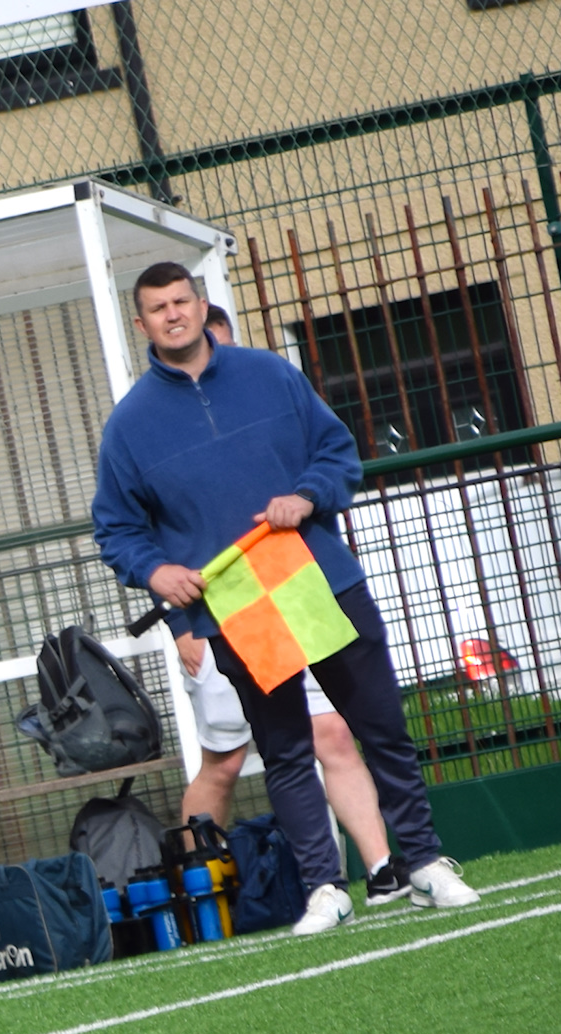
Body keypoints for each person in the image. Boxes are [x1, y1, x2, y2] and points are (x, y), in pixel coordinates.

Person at [93, 263, 477, 929]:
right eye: (158, 308)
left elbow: (337, 455)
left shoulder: (270, 374)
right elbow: (116, 529)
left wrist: (306, 497)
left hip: (319, 581)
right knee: (287, 751)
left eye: (182, 301)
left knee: (381, 727)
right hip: (239, 604)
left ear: (200, 302)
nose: (173, 315)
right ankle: (324, 888)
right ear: (142, 324)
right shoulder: (129, 425)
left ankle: (422, 862)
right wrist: (155, 573)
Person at [175, 307, 405, 908]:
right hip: (226, 614)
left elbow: (329, 462)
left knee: (332, 731)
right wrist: (183, 624)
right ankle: (201, 893)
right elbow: (157, 532)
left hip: (294, 591)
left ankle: (383, 870)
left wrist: (303, 500)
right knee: (224, 761)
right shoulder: (163, 425)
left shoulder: (264, 393)